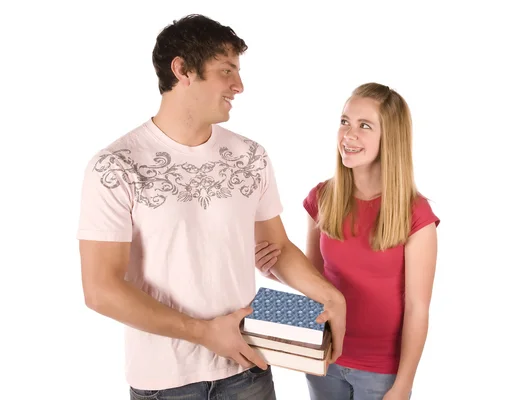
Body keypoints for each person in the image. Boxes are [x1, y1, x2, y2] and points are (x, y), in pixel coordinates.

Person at [76, 14, 346, 400]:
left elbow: (276, 250)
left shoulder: (250, 156)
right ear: (182, 69)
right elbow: (100, 289)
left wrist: (331, 297)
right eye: (226, 71)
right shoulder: (116, 166)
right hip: (164, 384)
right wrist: (204, 333)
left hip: (248, 369)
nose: (239, 85)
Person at [255, 82, 440, 400]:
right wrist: (274, 272)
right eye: (344, 122)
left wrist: (403, 386)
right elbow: (315, 281)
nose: (348, 135)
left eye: (364, 126)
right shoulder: (323, 197)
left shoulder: (416, 213)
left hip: (381, 371)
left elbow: (417, 309)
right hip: (325, 358)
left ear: (390, 138)